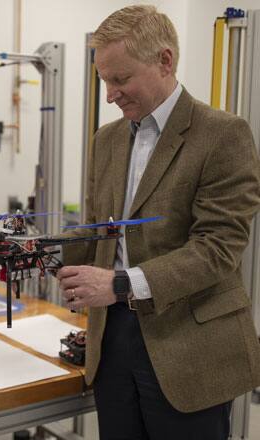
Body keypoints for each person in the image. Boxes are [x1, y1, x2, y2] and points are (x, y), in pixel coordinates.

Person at [57, 5, 260, 440]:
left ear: (164, 61)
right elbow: (99, 230)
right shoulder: (107, 139)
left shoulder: (223, 134)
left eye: (121, 79)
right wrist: (40, 248)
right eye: (104, 81)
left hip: (189, 345)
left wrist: (118, 284)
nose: (110, 94)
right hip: (112, 341)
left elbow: (218, 248)